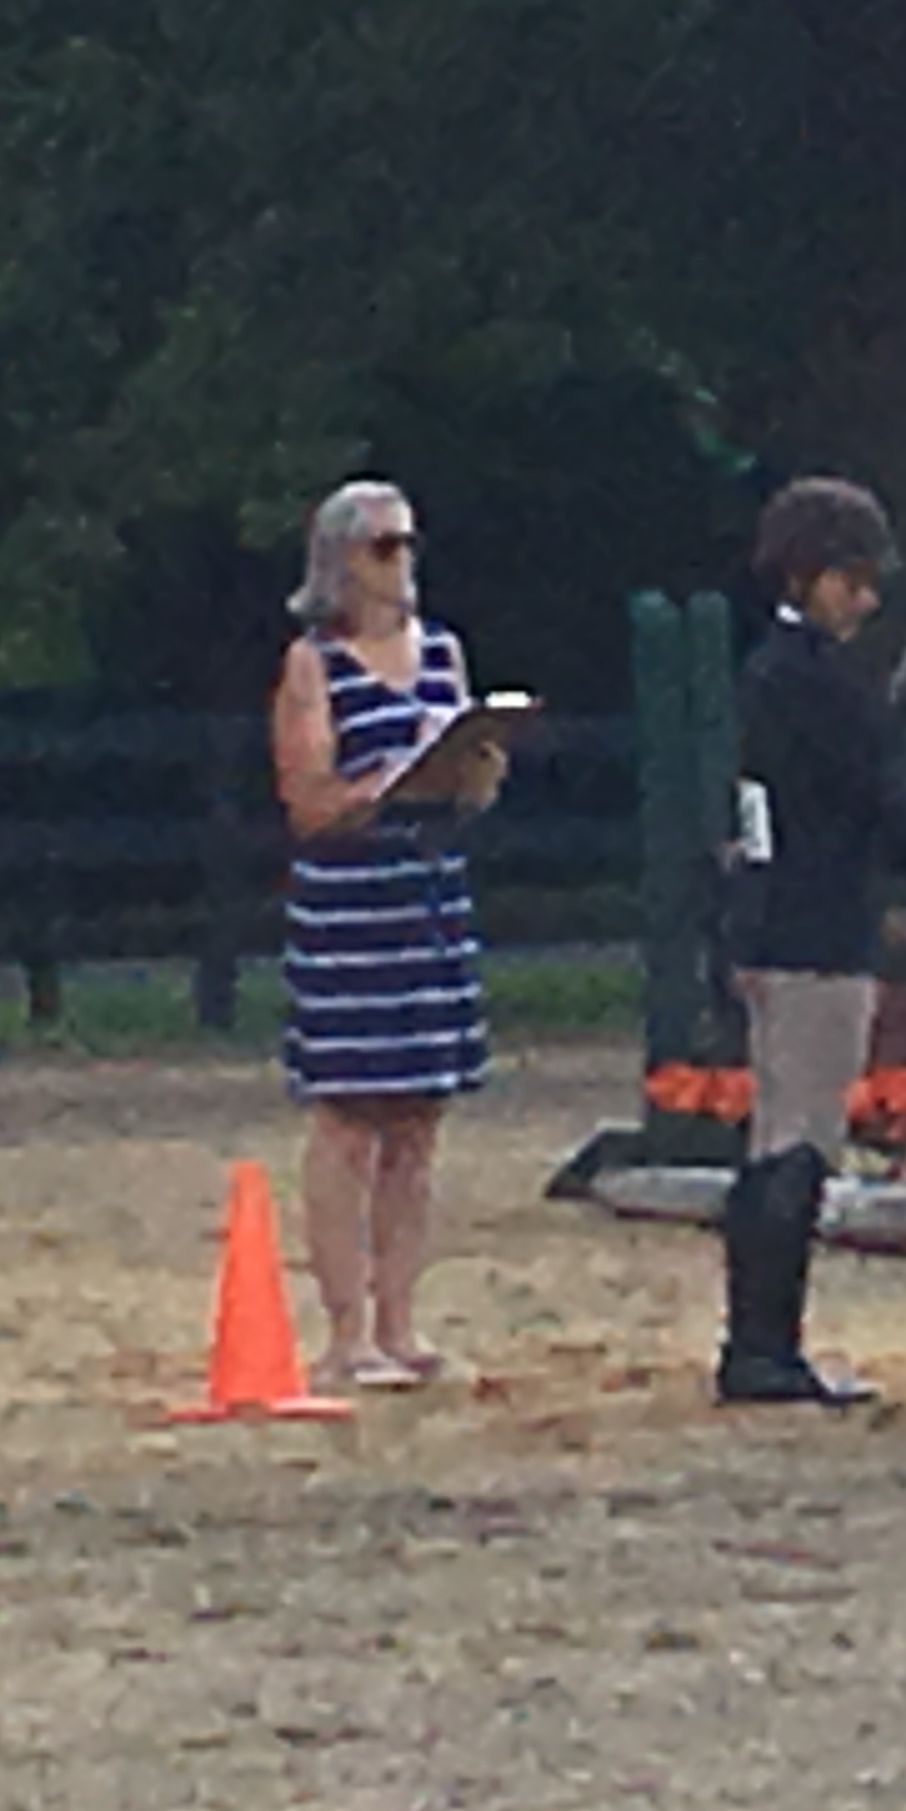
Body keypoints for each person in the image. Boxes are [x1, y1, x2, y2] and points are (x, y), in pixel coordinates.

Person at [716, 475, 906, 1407]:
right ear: (808, 575)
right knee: (799, 1139)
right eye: (849, 581)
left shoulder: (777, 672)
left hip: (778, 919)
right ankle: (764, 1349)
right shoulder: (808, 682)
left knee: (783, 1129)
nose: (862, 600)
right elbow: (880, 792)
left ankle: (761, 1341)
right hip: (815, 928)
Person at [270, 478, 509, 1390]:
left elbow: (473, 787)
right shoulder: (313, 664)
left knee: (420, 1118)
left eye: (408, 543)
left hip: (429, 900)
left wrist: (475, 770)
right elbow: (307, 799)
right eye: (382, 547)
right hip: (351, 908)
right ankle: (345, 1333)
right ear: (340, 563)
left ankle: (402, 1323)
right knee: (349, 1118)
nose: (401, 562)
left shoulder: (443, 654)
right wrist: (390, 787)